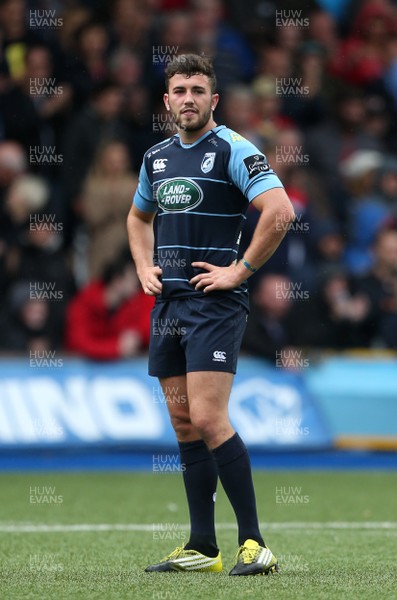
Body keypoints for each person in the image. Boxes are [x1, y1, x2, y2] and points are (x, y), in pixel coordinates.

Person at [127, 54, 294, 576]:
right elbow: (137, 217)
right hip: (170, 303)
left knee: (207, 417)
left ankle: (254, 543)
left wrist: (238, 271)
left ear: (213, 100)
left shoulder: (234, 150)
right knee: (183, 424)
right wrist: (142, 266)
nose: (189, 99)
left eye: (198, 90)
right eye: (179, 90)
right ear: (167, 101)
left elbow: (280, 211)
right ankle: (203, 546)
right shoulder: (155, 157)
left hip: (214, 304)